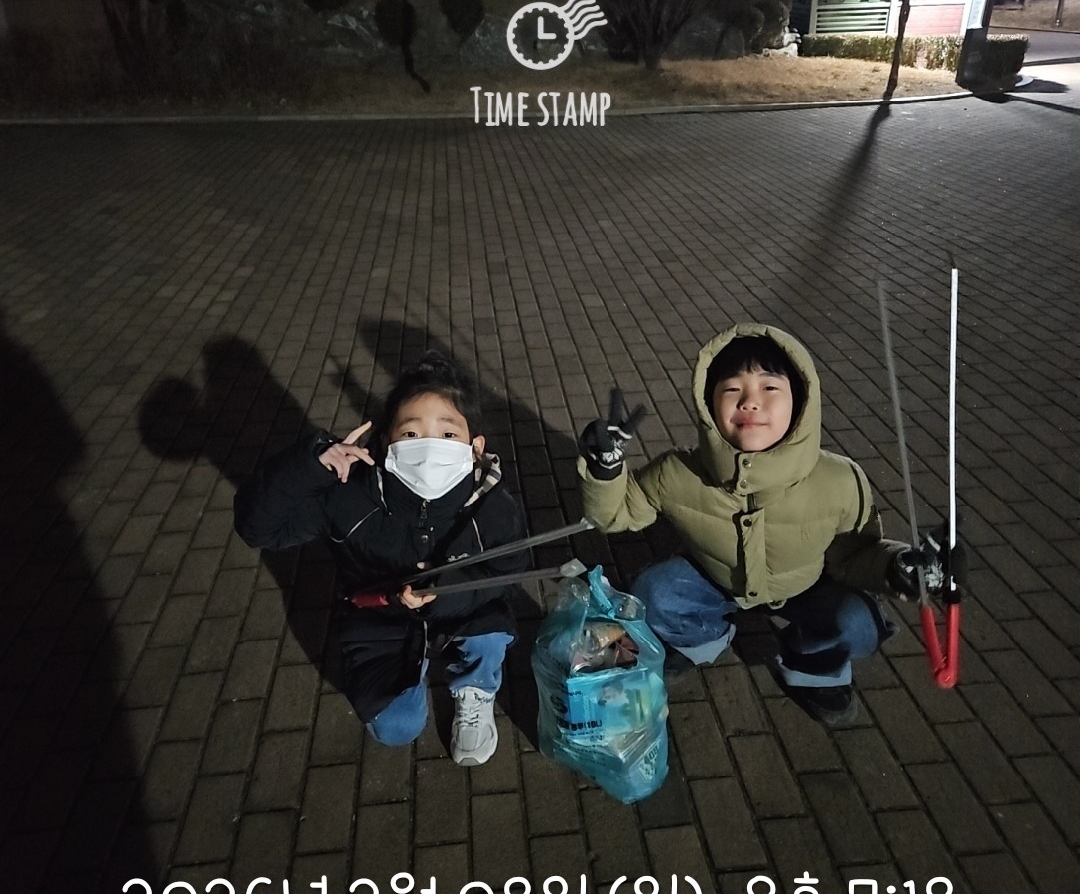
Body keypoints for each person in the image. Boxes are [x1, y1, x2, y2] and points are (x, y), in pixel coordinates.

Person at [576, 324, 957, 726]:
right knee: (653, 592)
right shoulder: (678, 471)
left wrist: (900, 567)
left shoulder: (840, 480)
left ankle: (815, 669)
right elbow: (615, 514)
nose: (750, 402)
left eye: (770, 387)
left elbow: (858, 554)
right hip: (717, 578)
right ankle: (700, 636)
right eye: (732, 389)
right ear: (708, 404)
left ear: (801, 402)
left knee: (859, 621)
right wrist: (606, 470)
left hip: (808, 584)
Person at [234, 351, 528, 765]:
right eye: (411, 433)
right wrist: (310, 466)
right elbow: (257, 529)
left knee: (489, 635)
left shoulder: (492, 505)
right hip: (378, 617)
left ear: (475, 447)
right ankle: (411, 666)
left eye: (448, 434)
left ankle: (475, 687)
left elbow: (507, 571)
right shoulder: (349, 493)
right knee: (395, 726)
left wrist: (451, 591)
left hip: (466, 610)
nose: (429, 447)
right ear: (386, 442)